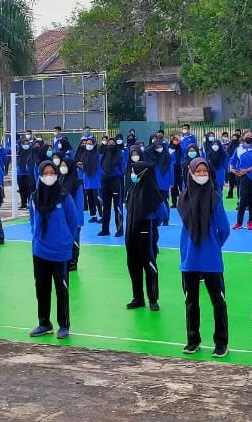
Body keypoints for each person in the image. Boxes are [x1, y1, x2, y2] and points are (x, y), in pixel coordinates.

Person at [178, 157, 230, 357]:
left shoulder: (215, 198)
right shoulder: (183, 198)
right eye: (197, 171)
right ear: (190, 173)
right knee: (191, 301)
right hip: (189, 259)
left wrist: (213, 245)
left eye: (204, 171)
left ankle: (221, 342)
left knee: (218, 301)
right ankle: (193, 340)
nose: (201, 174)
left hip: (210, 259)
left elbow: (224, 229)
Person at [28, 161, 81, 339]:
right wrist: (36, 238)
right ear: (40, 175)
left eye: (52, 172)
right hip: (40, 251)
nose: (49, 176)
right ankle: (44, 323)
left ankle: (64, 325)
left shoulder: (64, 197)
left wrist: (66, 241)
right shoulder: (35, 198)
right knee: (41, 288)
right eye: (46, 172)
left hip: (60, 252)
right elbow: (32, 221)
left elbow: (73, 222)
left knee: (62, 289)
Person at [123, 160, 168, 310]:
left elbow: (162, 214)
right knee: (133, 264)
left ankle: (153, 299)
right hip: (131, 230)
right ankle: (138, 297)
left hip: (146, 230)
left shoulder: (152, 192)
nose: (132, 175)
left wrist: (152, 225)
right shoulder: (132, 188)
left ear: (142, 174)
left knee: (149, 264)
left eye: (135, 172)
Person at [229, 135, 252, 230]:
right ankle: (239, 222)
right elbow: (232, 161)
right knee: (243, 199)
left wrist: (248, 169)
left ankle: (250, 221)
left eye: (251, 136)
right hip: (243, 177)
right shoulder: (238, 149)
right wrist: (232, 169)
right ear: (243, 138)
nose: (249, 137)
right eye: (247, 136)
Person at [97, 136, 126, 237]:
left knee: (117, 206)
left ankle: (120, 229)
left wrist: (117, 174)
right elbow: (100, 168)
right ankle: (105, 229)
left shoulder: (120, 156)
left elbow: (123, 168)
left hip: (116, 181)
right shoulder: (103, 156)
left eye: (113, 143)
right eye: (109, 143)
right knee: (106, 206)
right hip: (105, 181)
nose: (110, 145)